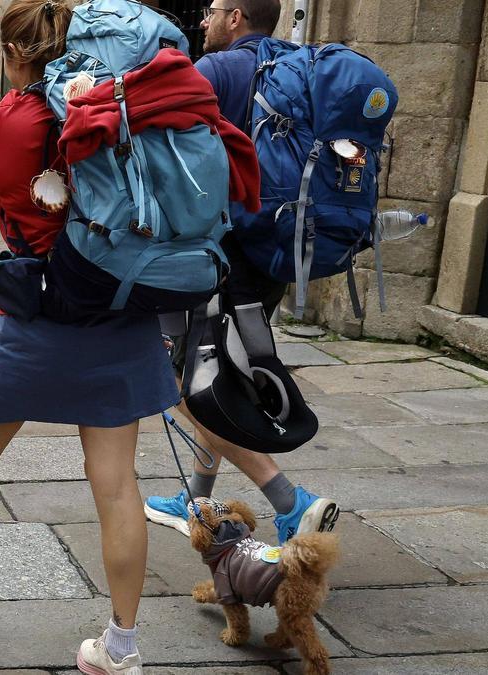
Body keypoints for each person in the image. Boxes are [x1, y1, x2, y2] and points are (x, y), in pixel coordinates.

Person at [0, 2, 177, 673]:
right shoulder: (123, 110)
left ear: (15, 54)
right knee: (117, 486)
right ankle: (121, 646)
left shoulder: (4, 120)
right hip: (122, 312)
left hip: (38, 320)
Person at [143, 0, 339, 546]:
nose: (202, 21)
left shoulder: (214, 70)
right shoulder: (295, 67)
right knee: (221, 375)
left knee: (183, 381)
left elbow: (170, 158)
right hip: (273, 250)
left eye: (212, 11)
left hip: (217, 256)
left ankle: (288, 500)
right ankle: (196, 501)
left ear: (237, 18)